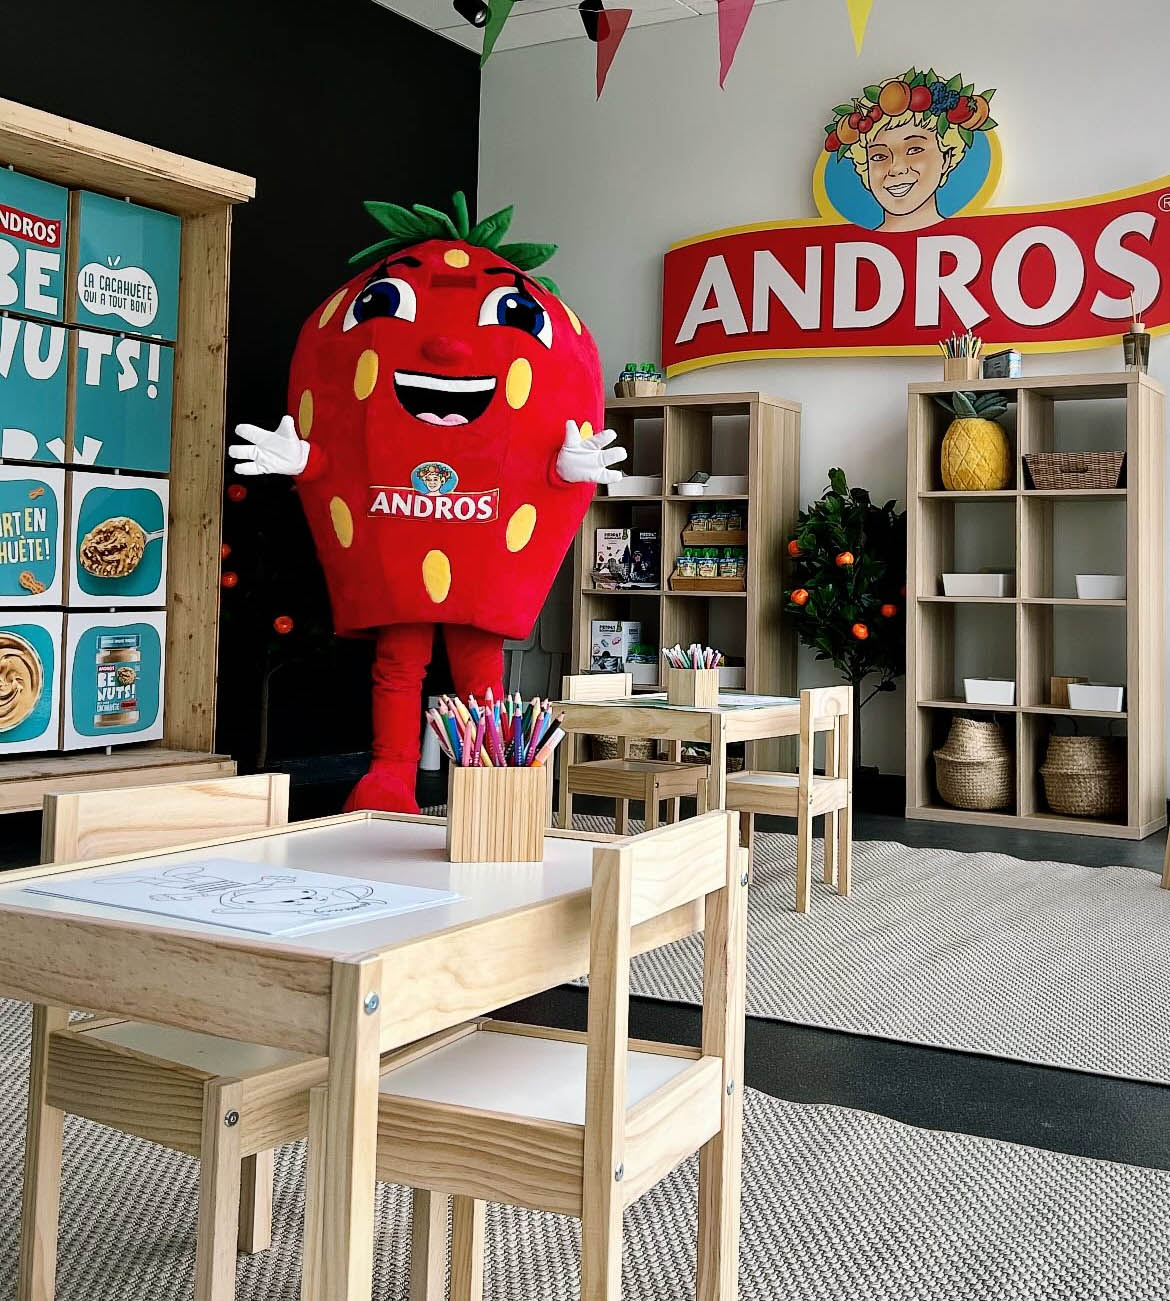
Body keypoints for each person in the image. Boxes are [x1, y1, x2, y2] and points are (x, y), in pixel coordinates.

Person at [230, 192, 624, 813]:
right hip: (402, 544)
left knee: (477, 671)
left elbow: (534, 453)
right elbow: (346, 448)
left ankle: (486, 784)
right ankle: (391, 773)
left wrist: (566, 471)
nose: (446, 347)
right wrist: (304, 459)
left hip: (478, 552)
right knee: (400, 663)